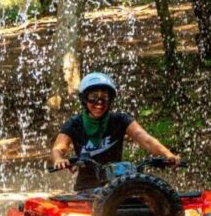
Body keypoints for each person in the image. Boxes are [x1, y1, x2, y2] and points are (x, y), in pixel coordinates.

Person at [49, 72, 180, 191]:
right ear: (84, 99)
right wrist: (59, 160)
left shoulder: (120, 120)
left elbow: (145, 139)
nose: (99, 102)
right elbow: (59, 147)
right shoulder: (74, 123)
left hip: (118, 185)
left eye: (104, 97)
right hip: (86, 188)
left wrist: (168, 155)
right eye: (93, 97)